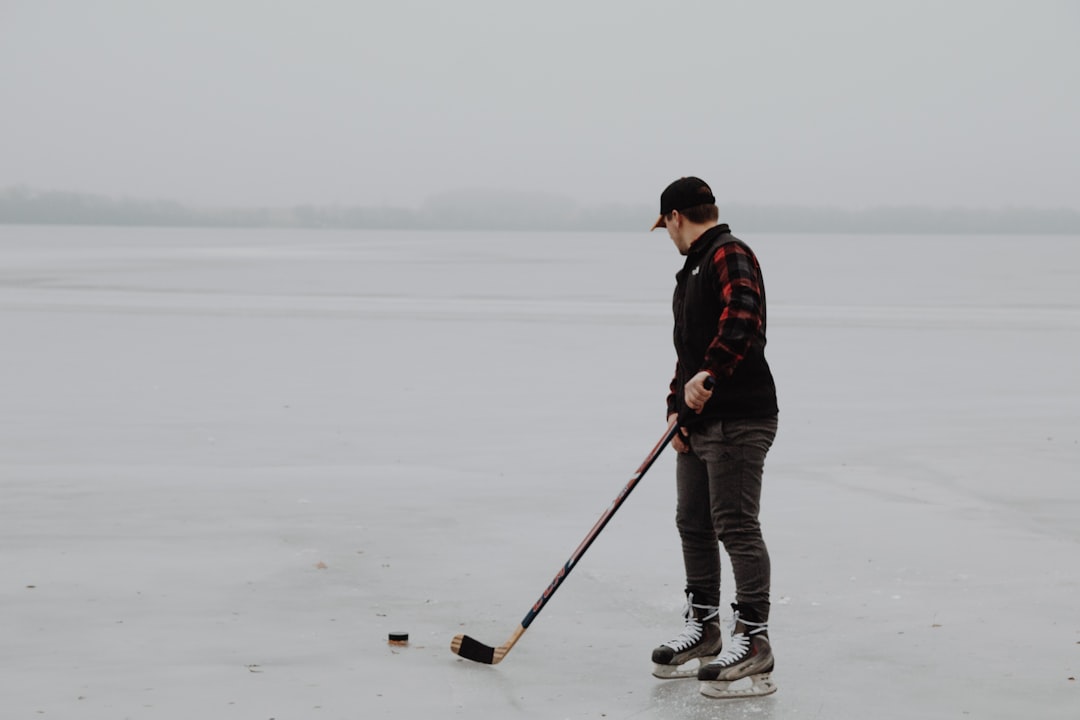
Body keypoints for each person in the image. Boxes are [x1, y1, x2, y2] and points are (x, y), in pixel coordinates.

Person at [647, 177, 780, 699]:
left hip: (740, 418)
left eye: (666, 226)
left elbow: (742, 318)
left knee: (736, 526)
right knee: (693, 523)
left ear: (676, 217)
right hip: (699, 423)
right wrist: (676, 408)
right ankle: (704, 629)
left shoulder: (729, 253)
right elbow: (689, 351)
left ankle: (755, 639)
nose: (668, 235)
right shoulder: (692, 269)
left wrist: (710, 377)